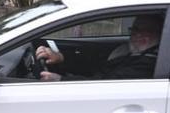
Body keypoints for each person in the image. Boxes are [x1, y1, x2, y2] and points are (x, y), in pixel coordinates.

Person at [35, 14, 163, 81]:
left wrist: (60, 80)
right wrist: (61, 58)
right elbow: (96, 63)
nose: (134, 34)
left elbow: (104, 83)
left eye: (140, 30)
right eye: (134, 29)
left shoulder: (148, 65)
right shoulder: (131, 52)